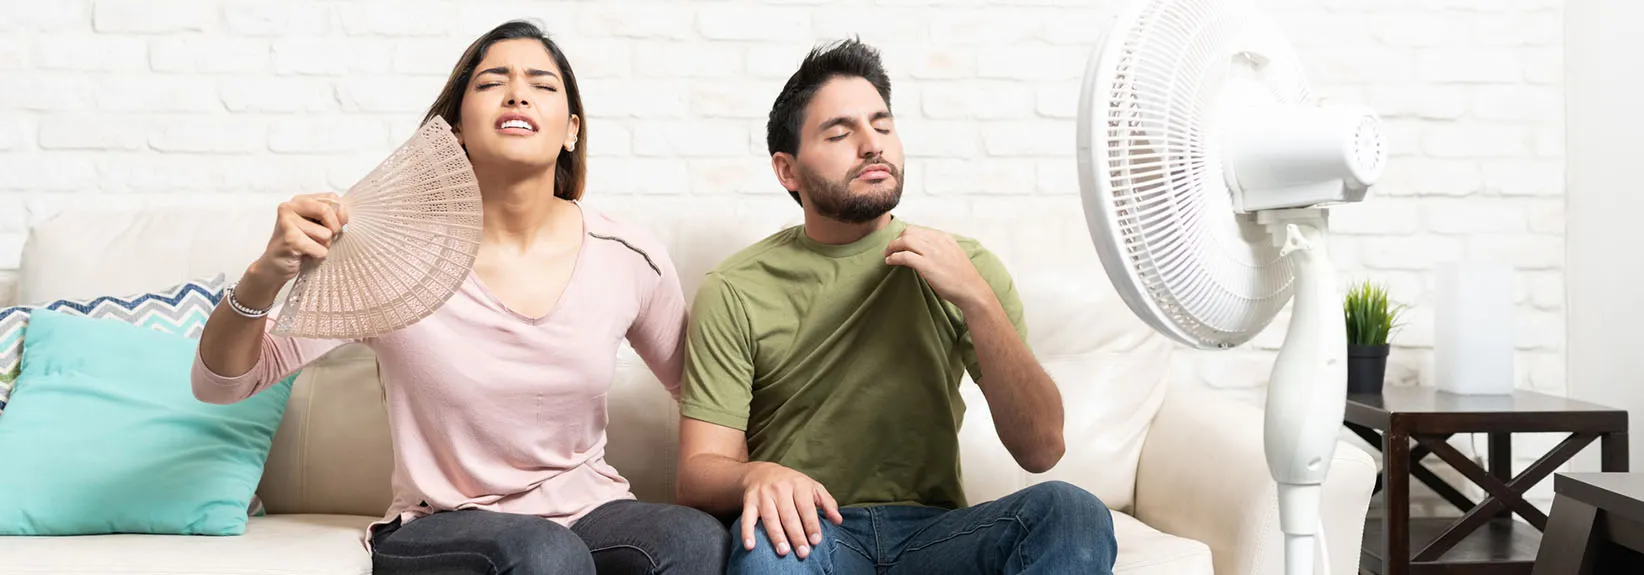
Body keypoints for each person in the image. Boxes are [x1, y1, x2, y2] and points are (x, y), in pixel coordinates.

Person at [190, 19, 729, 575]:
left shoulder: (626, 255)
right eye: (493, 80)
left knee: (692, 539)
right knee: (544, 553)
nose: (518, 91)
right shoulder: (391, 255)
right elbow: (222, 384)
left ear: (570, 131)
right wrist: (264, 274)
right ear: (457, 127)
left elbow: (707, 394)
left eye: (542, 85)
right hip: (443, 521)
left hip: (591, 511)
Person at [673, 38, 1119, 574]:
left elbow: (1042, 449)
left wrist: (976, 298)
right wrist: (754, 476)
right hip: (810, 536)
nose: (871, 145)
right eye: (840, 132)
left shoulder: (965, 266)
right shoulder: (736, 288)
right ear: (787, 171)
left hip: (938, 534)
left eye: (882, 126)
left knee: (1070, 512)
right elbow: (698, 472)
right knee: (768, 553)